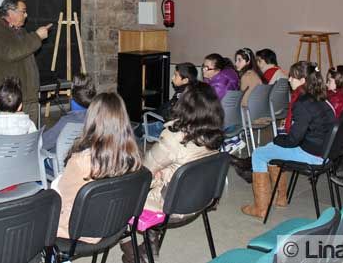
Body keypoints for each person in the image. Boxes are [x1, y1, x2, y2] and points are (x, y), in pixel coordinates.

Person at [121, 82, 224, 262]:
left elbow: (144, 171)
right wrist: (167, 172)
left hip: (173, 206)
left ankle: (130, 244)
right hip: (202, 198)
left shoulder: (174, 137)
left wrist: (158, 174)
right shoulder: (215, 136)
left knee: (121, 192)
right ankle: (149, 246)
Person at [241, 62, 335, 220]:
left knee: (258, 153)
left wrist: (278, 138)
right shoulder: (321, 98)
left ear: (303, 80)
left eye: (293, 76)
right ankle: (281, 198)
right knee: (271, 148)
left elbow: (292, 140)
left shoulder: (303, 103)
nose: (289, 79)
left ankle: (260, 208)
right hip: (324, 152)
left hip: (311, 154)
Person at [54, 93, 142, 248]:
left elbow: (62, 197)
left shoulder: (81, 162)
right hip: (116, 223)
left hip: (82, 229)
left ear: (92, 120)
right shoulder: (133, 157)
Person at [0, 0, 52, 121]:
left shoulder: (19, 31)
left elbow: (23, 51)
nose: (26, 15)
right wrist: (36, 36)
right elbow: (12, 53)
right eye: (23, 11)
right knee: (12, 139)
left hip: (28, 96)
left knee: (30, 138)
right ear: (10, 12)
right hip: (9, 100)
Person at [138, 62, 198, 140]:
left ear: (185, 80)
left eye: (176, 75)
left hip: (167, 125)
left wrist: (157, 112)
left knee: (139, 127)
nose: (172, 78)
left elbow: (170, 114)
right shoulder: (191, 90)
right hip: (176, 123)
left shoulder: (181, 94)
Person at [41, 73, 96, 152]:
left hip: (64, 161)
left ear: (71, 96)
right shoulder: (97, 118)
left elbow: (43, 143)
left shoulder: (66, 122)